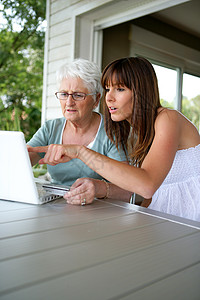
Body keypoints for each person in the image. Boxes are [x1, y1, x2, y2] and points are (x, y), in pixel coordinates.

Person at [28, 57, 200, 221]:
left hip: (191, 215)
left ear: (141, 92)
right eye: (108, 89)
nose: (109, 97)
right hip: (166, 212)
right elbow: (158, 191)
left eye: (119, 89)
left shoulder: (168, 118)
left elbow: (146, 185)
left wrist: (80, 152)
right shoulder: (141, 131)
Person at [27, 58, 132, 205]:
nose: (69, 102)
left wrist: (98, 188)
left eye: (78, 95)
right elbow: (20, 161)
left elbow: (127, 191)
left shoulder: (111, 132)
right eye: (64, 94)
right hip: (56, 205)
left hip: (99, 209)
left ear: (96, 99)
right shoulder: (51, 128)